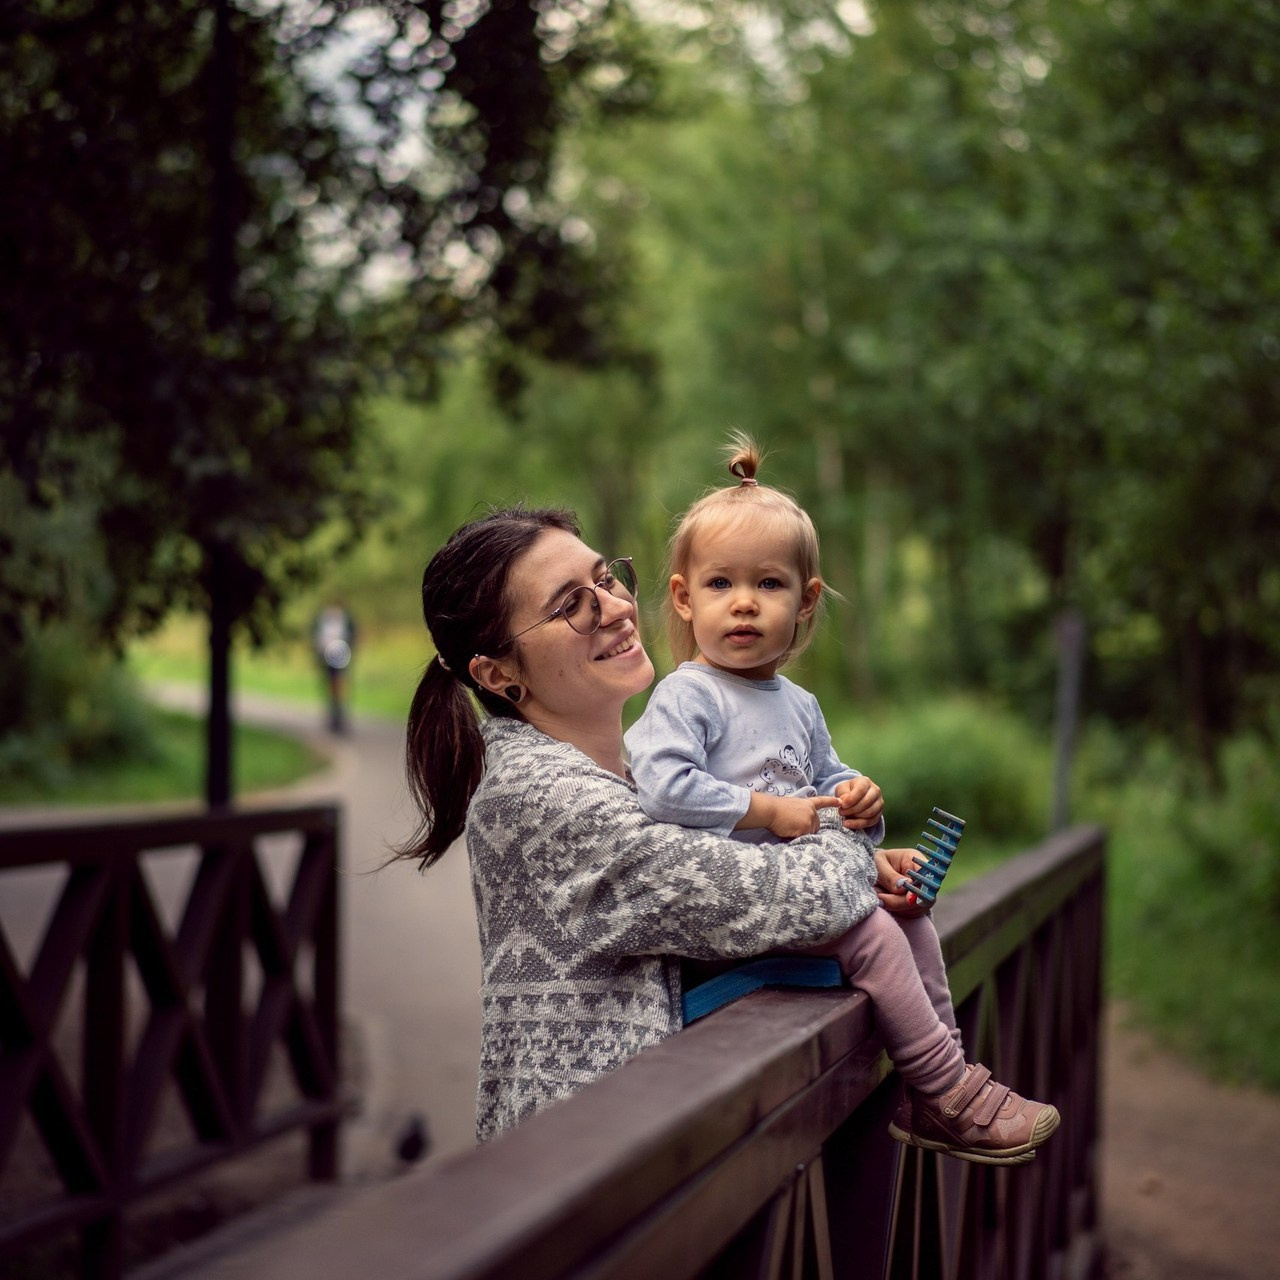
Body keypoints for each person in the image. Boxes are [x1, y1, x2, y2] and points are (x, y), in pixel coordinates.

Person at [623, 436, 1061, 1165]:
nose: (743, 605)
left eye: (768, 585)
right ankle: (948, 1090)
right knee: (869, 930)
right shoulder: (688, 694)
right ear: (683, 597)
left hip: (803, 898)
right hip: (733, 913)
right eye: (721, 585)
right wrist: (768, 811)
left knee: (906, 917)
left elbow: (823, 794)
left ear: (806, 602)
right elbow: (662, 786)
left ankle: (939, 1087)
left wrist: (860, 805)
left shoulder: (798, 704)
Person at [398, 507, 885, 1144]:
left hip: (638, 1164)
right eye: (573, 603)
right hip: (576, 1185)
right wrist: (848, 834)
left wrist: (862, 855)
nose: (617, 607)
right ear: (498, 673)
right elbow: (796, 899)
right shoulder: (543, 796)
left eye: (608, 577)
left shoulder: (629, 776)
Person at [311, 602, 356, 734]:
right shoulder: (323, 620)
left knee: (340, 689)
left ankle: (340, 718)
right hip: (327, 660)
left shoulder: (345, 620)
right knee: (331, 689)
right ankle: (333, 717)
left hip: (341, 660)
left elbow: (352, 638)